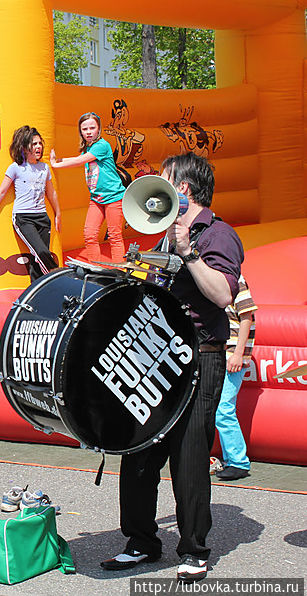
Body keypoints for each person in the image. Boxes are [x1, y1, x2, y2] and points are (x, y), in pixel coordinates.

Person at [100, 152, 243, 582]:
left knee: (190, 453)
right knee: (139, 447)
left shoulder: (218, 234)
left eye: (163, 180)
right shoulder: (161, 234)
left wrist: (188, 253)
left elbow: (222, 295)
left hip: (201, 353)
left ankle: (194, 548)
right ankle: (141, 541)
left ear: (183, 189)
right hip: (157, 353)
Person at [0, 125, 61, 280]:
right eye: (34, 144)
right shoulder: (16, 168)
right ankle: (58, 276)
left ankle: (35, 294)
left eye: (39, 143)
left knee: (37, 259)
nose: (38, 147)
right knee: (42, 252)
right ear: (24, 147)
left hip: (42, 218)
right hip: (24, 219)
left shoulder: (44, 168)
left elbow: (51, 193)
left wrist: (58, 213)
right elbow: (1, 192)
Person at [50, 111, 126, 262]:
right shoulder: (89, 148)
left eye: (92, 128)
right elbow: (80, 158)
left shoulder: (102, 145)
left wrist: (56, 164)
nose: (89, 132)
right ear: (80, 131)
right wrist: (59, 159)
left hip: (114, 197)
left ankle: (121, 269)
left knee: (114, 236)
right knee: (90, 235)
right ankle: (95, 266)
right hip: (97, 198)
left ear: (99, 129)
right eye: (85, 129)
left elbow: (80, 161)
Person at [214, 274, 256, 481]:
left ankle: (238, 461)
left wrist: (239, 353)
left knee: (224, 408)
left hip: (231, 355)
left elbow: (247, 316)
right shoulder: (209, 277)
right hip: (217, 354)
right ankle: (231, 459)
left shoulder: (235, 279)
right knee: (218, 408)